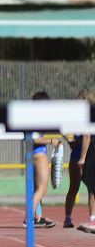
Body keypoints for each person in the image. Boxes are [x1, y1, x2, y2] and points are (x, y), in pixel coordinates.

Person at [63, 90, 94, 229]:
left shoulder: (77, 118)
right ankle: (92, 218)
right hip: (84, 157)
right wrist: (82, 157)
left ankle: (67, 218)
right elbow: (85, 136)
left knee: (73, 189)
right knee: (91, 189)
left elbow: (70, 136)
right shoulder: (86, 118)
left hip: (77, 156)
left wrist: (70, 140)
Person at [29, 91, 58, 228]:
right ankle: (28, 217)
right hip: (38, 154)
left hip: (35, 153)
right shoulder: (34, 119)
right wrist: (51, 140)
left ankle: (37, 217)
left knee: (37, 188)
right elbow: (34, 138)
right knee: (42, 188)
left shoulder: (33, 118)